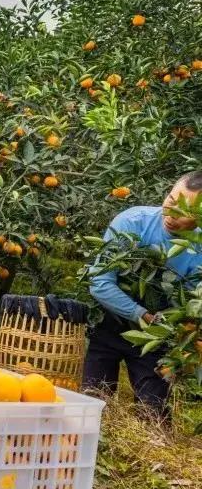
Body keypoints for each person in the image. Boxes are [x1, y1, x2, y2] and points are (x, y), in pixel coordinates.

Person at [83, 171, 202, 419]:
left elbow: (191, 306)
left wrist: (182, 347)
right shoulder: (133, 222)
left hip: (156, 335)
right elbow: (100, 282)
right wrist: (141, 314)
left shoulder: (198, 247)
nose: (171, 216)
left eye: (184, 213)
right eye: (170, 201)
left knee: (154, 416)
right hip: (110, 324)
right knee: (92, 408)